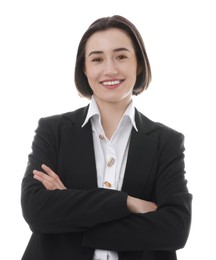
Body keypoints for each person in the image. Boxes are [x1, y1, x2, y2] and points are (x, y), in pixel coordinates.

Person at [21, 15, 192, 260]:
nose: (110, 69)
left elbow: (175, 230)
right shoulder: (53, 130)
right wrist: (127, 203)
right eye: (97, 59)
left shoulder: (166, 142)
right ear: (85, 68)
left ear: (139, 64)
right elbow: (36, 210)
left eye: (121, 56)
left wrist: (70, 216)